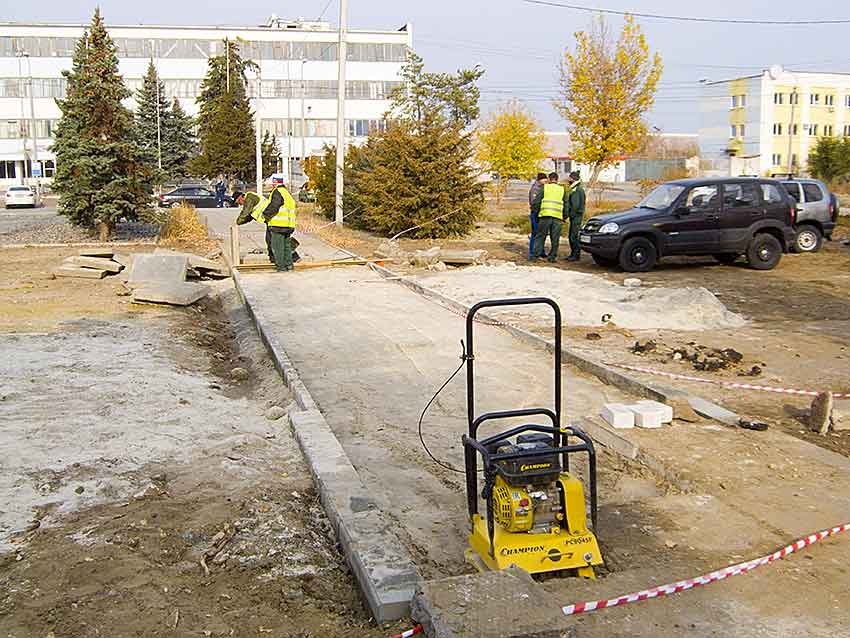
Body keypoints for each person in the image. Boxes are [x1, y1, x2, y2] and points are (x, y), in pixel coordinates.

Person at [236, 184, 298, 271]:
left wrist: (238, 222)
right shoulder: (286, 194)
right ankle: (289, 264)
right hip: (286, 223)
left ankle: (281, 266)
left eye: (238, 202)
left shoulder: (250, 197)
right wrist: (241, 222)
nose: (240, 204)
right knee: (282, 244)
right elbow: (249, 216)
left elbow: (246, 212)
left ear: (240, 198)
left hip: (276, 222)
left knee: (276, 245)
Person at [531, 171, 567, 263]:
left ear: (549, 179)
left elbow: (536, 202)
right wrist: (564, 217)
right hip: (557, 217)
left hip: (545, 215)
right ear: (557, 179)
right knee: (555, 238)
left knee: (540, 236)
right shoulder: (562, 189)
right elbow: (566, 205)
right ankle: (552, 257)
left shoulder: (544, 188)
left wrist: (536, 213)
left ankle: (535, 256)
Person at [565, 170, 586, 262]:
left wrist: (569, 215)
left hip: (576, 216)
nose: (568, 179)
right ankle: (574, 254)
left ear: (573, 179)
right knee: (573, 235)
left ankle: (575, 255)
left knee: (573, 236)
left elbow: (575, 206)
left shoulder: (576, 190)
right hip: (576, 216)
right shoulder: (577, 188)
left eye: (569, 178)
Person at [527, 172, 548, 260]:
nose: (546, 180)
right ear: (540, 179)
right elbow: (533, 203)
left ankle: (541, 251)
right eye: (545, 179)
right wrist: (538, 212)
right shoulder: (535, 189)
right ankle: (532, 253)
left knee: (542, 233)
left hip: (541, 213)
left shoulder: (543, 187)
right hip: (535, 213)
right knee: (535, 233)